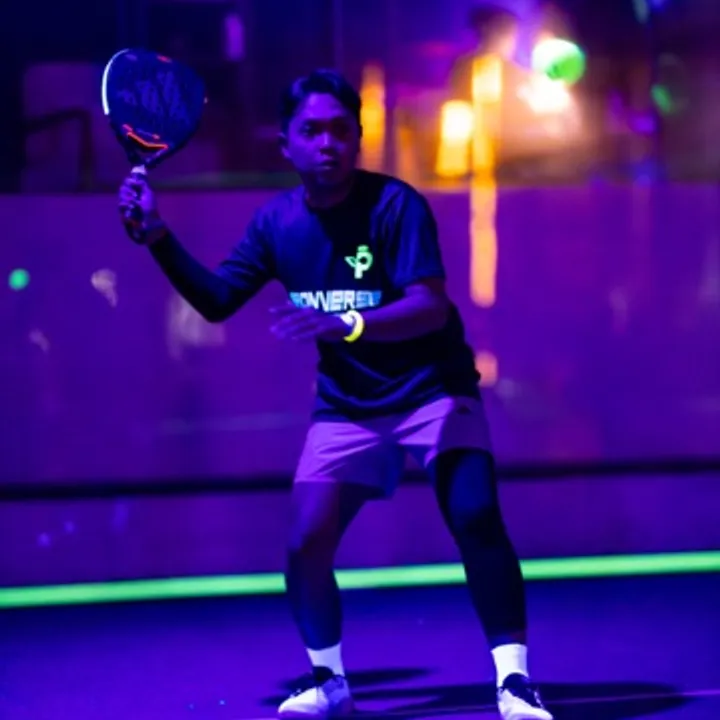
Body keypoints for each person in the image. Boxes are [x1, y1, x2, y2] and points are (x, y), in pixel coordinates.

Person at [118, 69, 553, 720]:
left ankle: (514, 684)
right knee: (305, 544)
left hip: (434, 392)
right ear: (286, 144)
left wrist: (345, 323)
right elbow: (216, 301)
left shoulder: (396, 205)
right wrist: (157, 236)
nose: (328, 143)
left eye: (340, 131)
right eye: (312, 131)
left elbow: (430, 307)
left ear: (358, 138)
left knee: (475, 515)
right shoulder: (276, 223)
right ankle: (330, 683)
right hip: (348, 407)